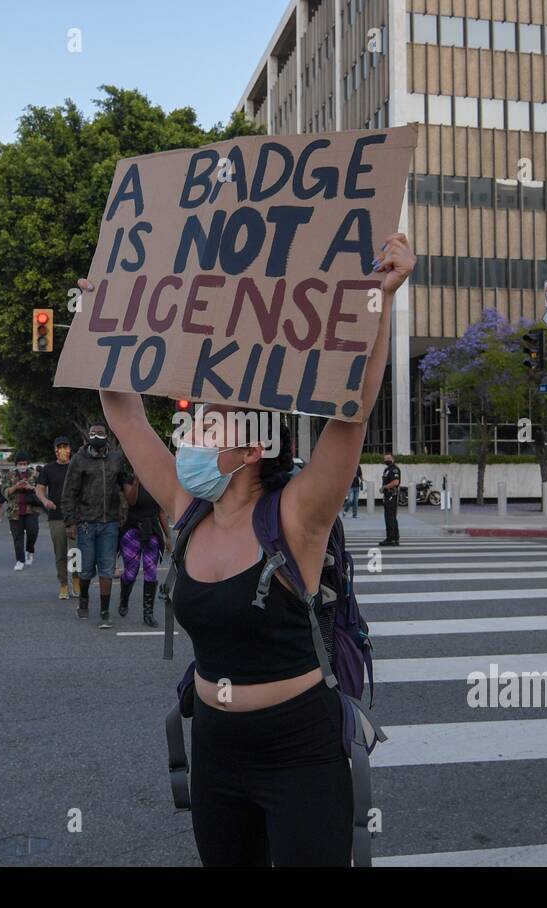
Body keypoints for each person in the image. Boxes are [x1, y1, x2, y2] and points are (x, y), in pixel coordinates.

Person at [77, 232, 413, 865]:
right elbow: (123, 413)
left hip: (301, 754)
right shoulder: (187, 508)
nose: (191, 435)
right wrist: (105, 323)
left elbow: (352, 414)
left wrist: (380, 302)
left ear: (254, 443)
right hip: (217, 751)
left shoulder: (295, 516)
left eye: (209, 423)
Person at [61, 422, 128, 628]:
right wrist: (70, 521)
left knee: (107, 569)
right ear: (88, 437)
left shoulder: (116, 458)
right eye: (93, 433)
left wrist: (124, 513)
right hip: (86, 522)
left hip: (110, 523)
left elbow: (126, 483)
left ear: (107, 436)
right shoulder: (78, 460)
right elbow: (69, 492)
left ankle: (105, 611)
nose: (96, 436)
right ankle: (83, 600)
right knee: (86, 568)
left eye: (100, 433)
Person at [118, 473, 168, 628]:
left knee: (151, 572)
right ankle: (124, 599)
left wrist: (168, 537)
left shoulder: (157, 483)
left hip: (152, 532)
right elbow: (131, 501)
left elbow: (161, 512)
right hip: (132, 531)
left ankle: (148, 613)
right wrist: (137, 481)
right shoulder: (128, 479)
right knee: (130, 572)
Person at [35, 437, 76, 599]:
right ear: (55, 450)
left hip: (75, 516)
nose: (63, 450)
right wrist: (45, 501)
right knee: (60, 553)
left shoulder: (76, 466)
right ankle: (64, 584)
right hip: (56, 516)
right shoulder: (48, 469)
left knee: (75, 551)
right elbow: (39, 489)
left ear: (70, 449)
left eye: (66, 447)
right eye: (60, 447)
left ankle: (76, 580)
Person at [6, 452, 40, 572]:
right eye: (20, 464)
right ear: (16, 464)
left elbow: (42, 490)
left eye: (24, 463)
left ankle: (29, 550)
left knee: (33, 532)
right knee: (18, 537)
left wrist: (30, 488)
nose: (22, 465)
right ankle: (20, 560)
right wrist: (16, 487)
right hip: (14, 511)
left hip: (31, 509)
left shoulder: (35, 474)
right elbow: (4, 491)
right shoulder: (10, 475)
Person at [379, 453, 401, 546]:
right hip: (388, 495)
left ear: (393, 459)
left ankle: (391, 539)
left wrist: (385, 487)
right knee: (391, 517)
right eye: (385, 458)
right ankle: (395, 538)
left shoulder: (394, 469)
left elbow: (396, 482)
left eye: (388, 458)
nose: (386, 460)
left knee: (390, 518)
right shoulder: (387, 469)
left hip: (392, 495)